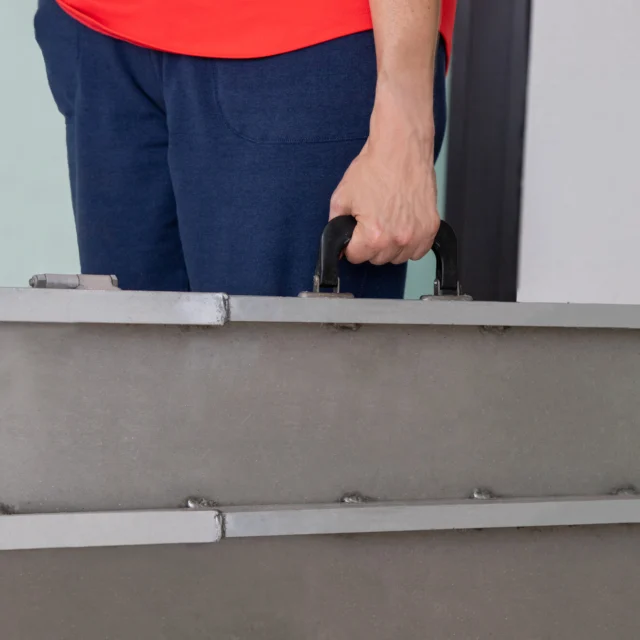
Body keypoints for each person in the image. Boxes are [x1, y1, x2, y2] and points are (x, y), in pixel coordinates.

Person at [35, 0, 456, 297]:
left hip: (300, 41)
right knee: (130, 380)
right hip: (98, 32)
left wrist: (405, 126)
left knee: (289, 386)